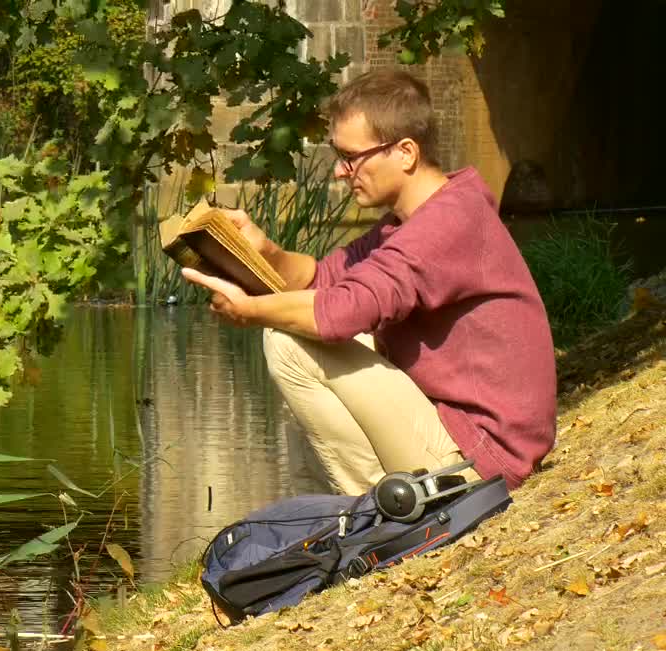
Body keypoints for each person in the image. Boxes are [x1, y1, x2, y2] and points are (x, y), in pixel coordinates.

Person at [182, 68, 557, 496]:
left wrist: (247, 311)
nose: (341, 172)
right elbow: (323, 280)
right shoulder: (412, 221)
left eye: (352, 157)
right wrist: (263, 252)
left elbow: (341, 313)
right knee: (311, 332)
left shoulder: (447, 225)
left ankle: (375, 513)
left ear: (405, 153)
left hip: (484, 458)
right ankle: (330, 515)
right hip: (461, 434)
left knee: (288, 343)